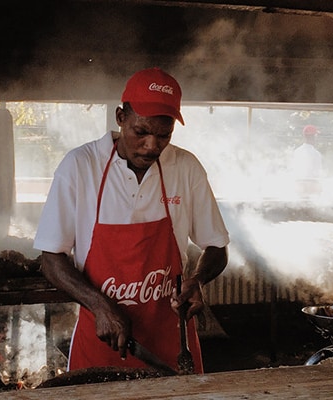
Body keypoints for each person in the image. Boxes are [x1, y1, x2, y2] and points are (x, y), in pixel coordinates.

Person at [33, 67, 230, 373]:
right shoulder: (80, 166)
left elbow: (217, 246)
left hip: (170, 343)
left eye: (163, 135)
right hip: (102, 341)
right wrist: (99, 305)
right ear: (120, 117)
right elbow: (50, 259)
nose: (152, 146)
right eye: (141, 132)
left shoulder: (186, 168)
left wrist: (198, 280)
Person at [290, 124, 324, 197]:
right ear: (314, 137)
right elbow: (318, 173)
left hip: (298, 186)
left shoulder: (297, 152)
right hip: (312, 187)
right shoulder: (316, 154)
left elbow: (293, 170)